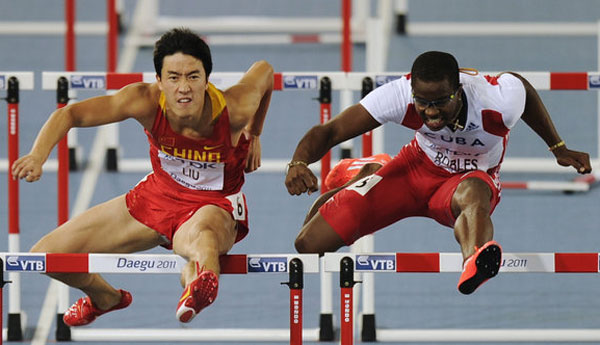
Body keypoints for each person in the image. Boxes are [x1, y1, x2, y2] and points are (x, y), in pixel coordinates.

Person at [12, 28, 274, 324]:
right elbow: (69, 115)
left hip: (213, 204)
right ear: (159, 81)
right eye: (173, 77)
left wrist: (254, 132)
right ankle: (105, 297)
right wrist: (37, 155)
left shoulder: (235, 109)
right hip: (157, 197)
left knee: (203, 239)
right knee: (47, 256)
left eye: (193, 76)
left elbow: (265, 71)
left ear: (206, 79)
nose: (183, 88)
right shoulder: (143, 101)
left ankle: (199, 284)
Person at [285, 51, 592, 295]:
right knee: (309, 245)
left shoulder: (497, 100)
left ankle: (474, 259)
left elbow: (522, 87)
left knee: (473, 195)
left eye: (440, 102)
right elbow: (332, 130)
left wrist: (558, 147)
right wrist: (298, 162)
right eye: (423, 102)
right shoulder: (398, 94)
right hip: (411, 172)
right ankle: (369, 172)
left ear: (458, 90)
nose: (430, 112)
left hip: (467, 180)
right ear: (412, 92)